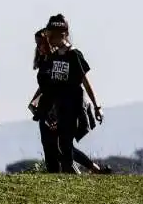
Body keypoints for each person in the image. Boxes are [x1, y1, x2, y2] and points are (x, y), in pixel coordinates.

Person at [29, 28, 110, 174]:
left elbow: (79, 83)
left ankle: (87, 173)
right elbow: (45, 86)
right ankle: (92, 171)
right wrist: (34, 101)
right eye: (37, 44)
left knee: (62, 148)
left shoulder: (64, 58)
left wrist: (97, 106)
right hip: (45, 110)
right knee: (53, 147)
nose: (39, 47)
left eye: (41, 43)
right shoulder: (46, 62)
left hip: (59, 109)